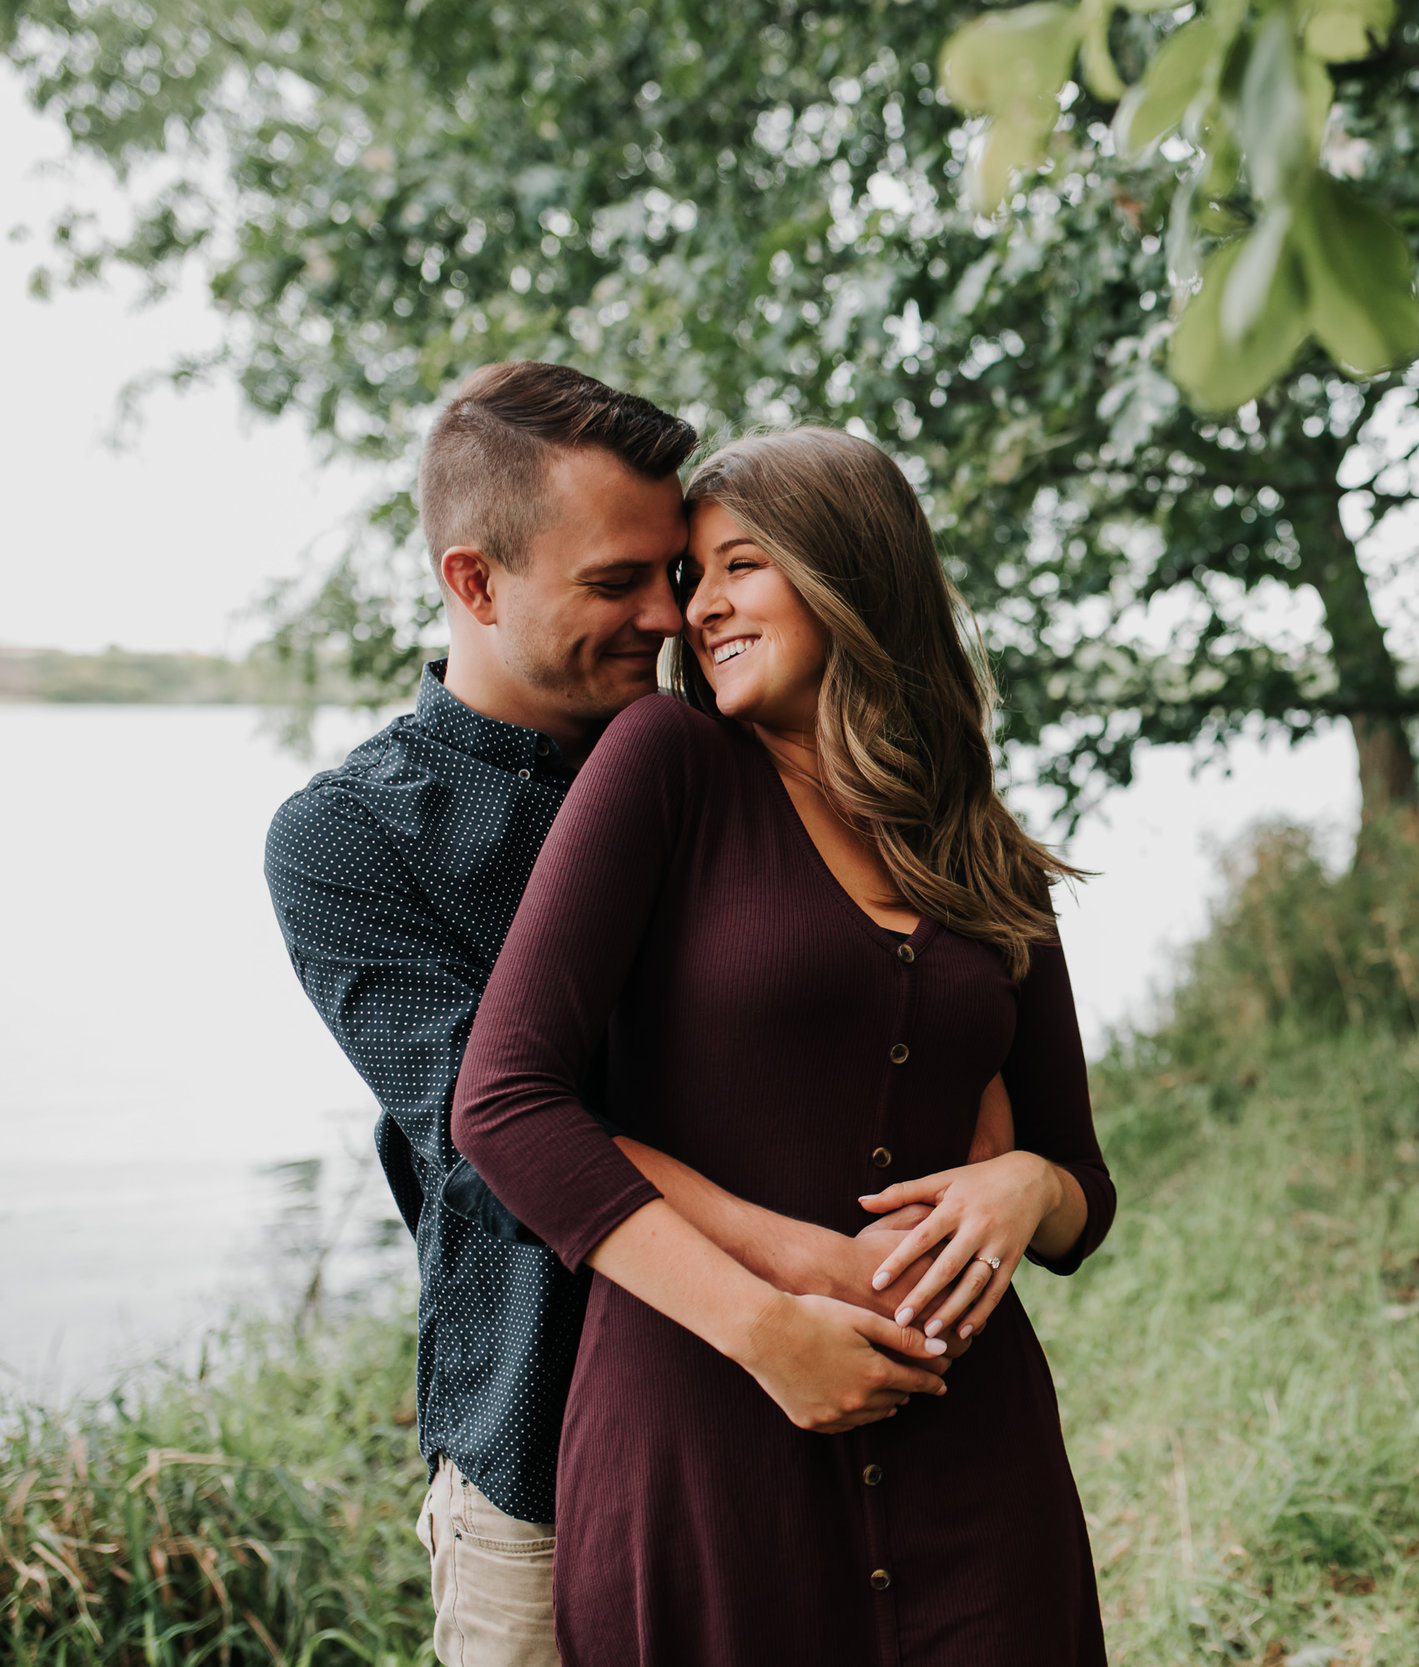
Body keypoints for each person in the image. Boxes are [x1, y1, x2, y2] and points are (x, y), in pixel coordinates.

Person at [267, 364, 1003, 1667]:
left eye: (678, 572)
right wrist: (799, 1276)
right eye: (620, 583)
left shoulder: (729, 756)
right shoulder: (350, 837)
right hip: (541, 1436)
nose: (668, 614)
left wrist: (1026, 1176)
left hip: (814, 1409)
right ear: (475, 582)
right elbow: (499, 1127)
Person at [449, 426, 1116, 1664]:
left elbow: (1086, 1192)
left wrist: (1026, 1187)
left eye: (737, 565)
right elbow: (503, 1100)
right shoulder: (669, 766)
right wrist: (765, 1325)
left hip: (971, 1461)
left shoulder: (983, 845)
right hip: (706, 1443)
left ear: (848, 569)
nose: (697, 610)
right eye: (693, 578)